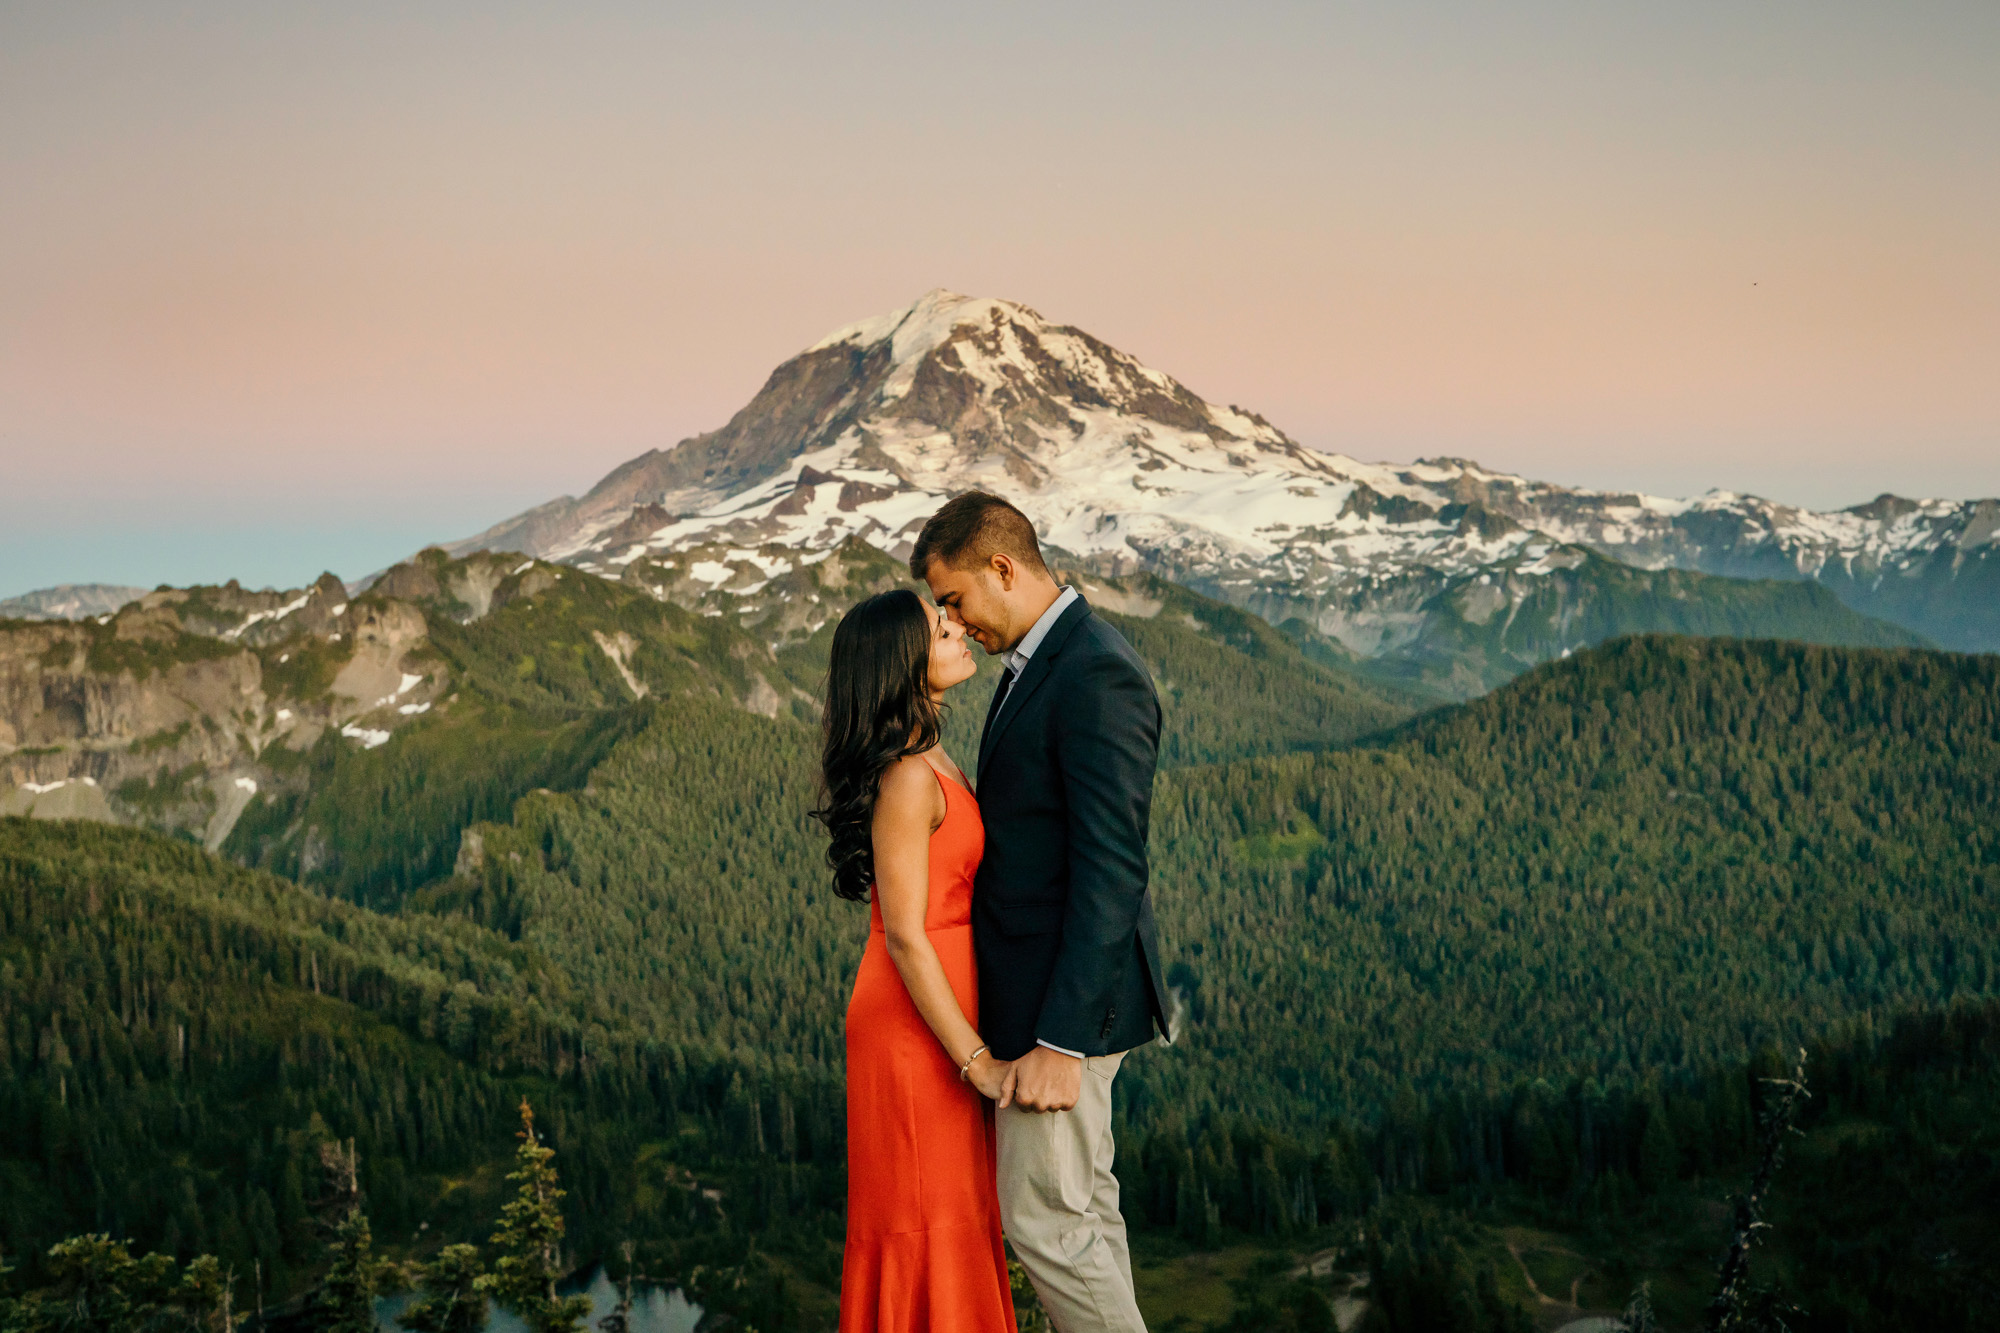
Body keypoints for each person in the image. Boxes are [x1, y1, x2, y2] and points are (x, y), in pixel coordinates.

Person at [913, 491, 1170, 1333]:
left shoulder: (1095, 670)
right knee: (1085, 1213)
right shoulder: (1049, 659)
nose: (952, 620)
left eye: (953, 599)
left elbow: (1111, 866)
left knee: (1045, 1224)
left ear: (1002, 567)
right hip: (1055, 999)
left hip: (1064, 1013)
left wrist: (1060, 1041)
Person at [812, 588, 1018, 1333]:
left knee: (957, 1212)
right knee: (925, 1217)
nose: (958, 628)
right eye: (941, 627)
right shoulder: (905, 778)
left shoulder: (932, 755)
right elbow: (904, 933)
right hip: (914, 1028)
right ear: (905, 663)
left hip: (944, 1015)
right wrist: (977, 1061)